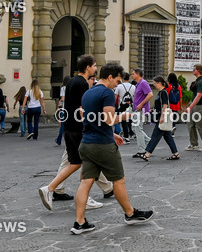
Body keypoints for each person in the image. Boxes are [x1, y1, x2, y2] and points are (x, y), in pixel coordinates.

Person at [65, 61, 154, 234]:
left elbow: (87, 116)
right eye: (118, 81)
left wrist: (112, 134)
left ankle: (79, 222)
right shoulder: (107, 93)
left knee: (85, 182)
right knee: (118, 180)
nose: (118, 84)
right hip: (102, 146)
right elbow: (109, 119)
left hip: (86, 144)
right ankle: (130, 214)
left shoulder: (89, 92)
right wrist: (125, 116)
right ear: (110, 77)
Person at [40, 54, 114, 207]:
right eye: (94, 66)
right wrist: (94, 125)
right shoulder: (81, 84)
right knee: (83, 163)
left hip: (70, 128)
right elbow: (82, 110)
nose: (95, 69)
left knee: (77, 162)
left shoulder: (73, 81)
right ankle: (53, 189)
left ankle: (64, 191)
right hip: (78, 129)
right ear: (88, 67)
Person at [137, 76, 180, 161]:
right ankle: (175, 153)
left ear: (159, 83)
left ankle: (147, 154)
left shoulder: (163, 92)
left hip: (161, 117)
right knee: (168, 137)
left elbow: (165, 105)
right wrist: (153, 110)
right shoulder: (161, 92)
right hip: (160, 116)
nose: (154, 85)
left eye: (155, 83)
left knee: (155, 136)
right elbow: (160, 105)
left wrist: (162, 117)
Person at [185, 64, 202, 152]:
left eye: (194, 69)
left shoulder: (201, 81)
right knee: (191, 125)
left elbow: (199, 95)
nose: (193, 70)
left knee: (201, 126)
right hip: (196, 105)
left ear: (198, 71)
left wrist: (190, 107)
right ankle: (194, 144)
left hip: (201, 106)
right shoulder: (199, 81)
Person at [115, 71, 135, 142]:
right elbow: (134, 97)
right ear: (128, 78)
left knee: (122, 121)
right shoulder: (133, 86)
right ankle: (130, 134)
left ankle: (126, 137)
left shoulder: (119, 86)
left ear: (122, 78)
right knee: (129, 120)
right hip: (130, 106)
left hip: (122, 106)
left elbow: (115, 97)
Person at [55, 77, 70, 145]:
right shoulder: (71, 87)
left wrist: (61, 101)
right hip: (71, 109)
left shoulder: (63, 88)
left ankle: (59, 139)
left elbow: (63, 98)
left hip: (65, 108)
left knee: (62, 125)